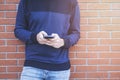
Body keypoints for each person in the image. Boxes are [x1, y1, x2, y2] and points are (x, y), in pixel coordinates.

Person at [14, 0, 80, 80]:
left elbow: (76, 33)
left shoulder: (71, 2)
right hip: (33, 66)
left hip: (59, 69)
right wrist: (35, 37)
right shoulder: (26, 2)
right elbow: (19, 30)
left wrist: (63, 42)